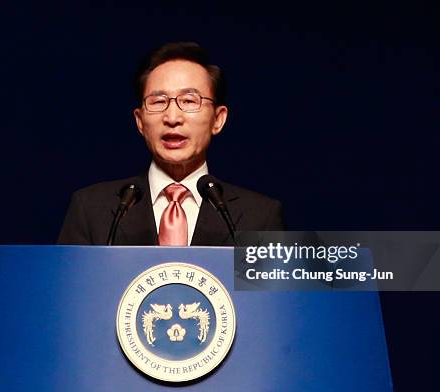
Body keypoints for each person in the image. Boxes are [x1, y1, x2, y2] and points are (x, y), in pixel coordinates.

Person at [58, 42, 283, 246]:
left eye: (189, 101)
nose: (172, 117)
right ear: (140, 122)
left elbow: (275, 293)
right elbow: (68, 290)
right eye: (158, 101)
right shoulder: (90, 209)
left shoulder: (260, 216)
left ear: (218, 119)